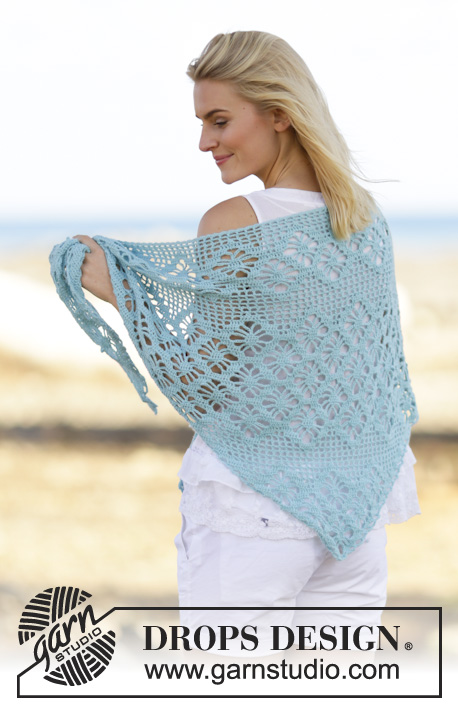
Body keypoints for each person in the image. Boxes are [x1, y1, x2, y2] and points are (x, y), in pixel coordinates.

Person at [69, 31, 419, 657]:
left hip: (254, 509)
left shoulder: (237, 222)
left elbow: (205, 380)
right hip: (357, 510)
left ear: (280, 113)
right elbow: (362, 381)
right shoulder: (365, 220)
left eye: (220, 120)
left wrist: (125, 296)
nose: (205, 142)